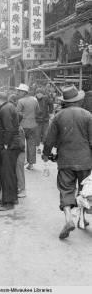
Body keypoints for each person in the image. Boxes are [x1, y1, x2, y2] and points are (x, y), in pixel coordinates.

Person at [42, 85, 92, 240]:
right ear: (78, 100)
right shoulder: (88, 115)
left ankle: (69, 218)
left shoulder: (58, 116)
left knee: (66, 189)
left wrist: (45, 154)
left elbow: (49, 139)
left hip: (65, 160)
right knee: (85, 191)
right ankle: (83, 219)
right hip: (85, 160)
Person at [0, 92, 21, 211]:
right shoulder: (9, 107)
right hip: (12, 145)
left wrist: (5, 144)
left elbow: (8, 128)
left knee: (7, 174)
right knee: (10, 172)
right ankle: (13, 198)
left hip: (9, 146)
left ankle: (8, 202)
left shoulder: (4, 109)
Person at [17, 84, 40, 170]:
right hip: (33, 125)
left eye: (19, 91)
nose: (18, 92)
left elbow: (17, 113)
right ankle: (31, 164)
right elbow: (38, 111)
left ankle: (21, 162)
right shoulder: (35, 100)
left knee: (21, 145)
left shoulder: (21, 101)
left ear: (24, 92)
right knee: (31, 144)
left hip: (23, 126)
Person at [35, 87, 54, 154]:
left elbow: (51, 104)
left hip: (45, 119)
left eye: (40, 93)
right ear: (36, 94)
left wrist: (51, 112)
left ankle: (43, 147)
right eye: (38, 93)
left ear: (43, 94)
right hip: (37, 120)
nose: (39, 95)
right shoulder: (34, 99)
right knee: (37, 134)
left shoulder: (46, 98)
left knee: (45, 134)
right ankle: (38, 148)